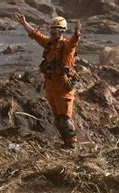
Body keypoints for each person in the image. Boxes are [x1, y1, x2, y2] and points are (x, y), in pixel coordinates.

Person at [14, 12, 82, 147]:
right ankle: (65, 142)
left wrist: (77, 33)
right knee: (57, 119)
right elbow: (36, 35)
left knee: (65, 119)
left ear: (62, 31)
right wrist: (24, 23)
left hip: (63, 87)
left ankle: (72, 144)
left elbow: (73, 43)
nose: (52, 33)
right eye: (51, 30)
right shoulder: (49, 44)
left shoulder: (67, 47)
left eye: (56, 30)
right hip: (51, 86)